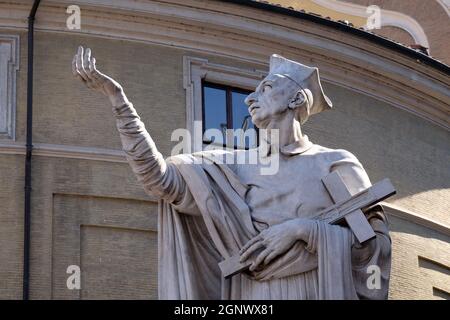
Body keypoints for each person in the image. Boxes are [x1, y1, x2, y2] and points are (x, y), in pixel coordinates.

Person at [72, 46, 391, 299]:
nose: (251, 98)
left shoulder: (334, 164)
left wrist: (304, 230)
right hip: (250, 295)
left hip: (314, 291)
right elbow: (159, 180)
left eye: (266, 88)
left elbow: (373, 250)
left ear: (296, 99)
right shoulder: (231, 166)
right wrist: (119, 103)